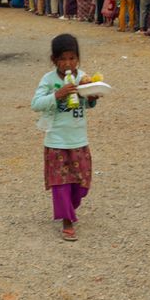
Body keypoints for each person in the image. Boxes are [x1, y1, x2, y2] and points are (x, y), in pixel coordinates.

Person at [31, 34, 101, 241]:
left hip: (79, 139)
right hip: (56, 140)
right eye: (63, 59)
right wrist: (57, 94)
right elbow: (35, 104)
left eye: (72, 58)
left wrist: (92, 97)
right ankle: (67, 220)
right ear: (54, 60)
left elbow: (88, 105)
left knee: (81, 183)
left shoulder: (83, 78)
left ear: (78, 59)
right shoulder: (49, 80)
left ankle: (70, 207)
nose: (68, 63)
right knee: (60, 182)